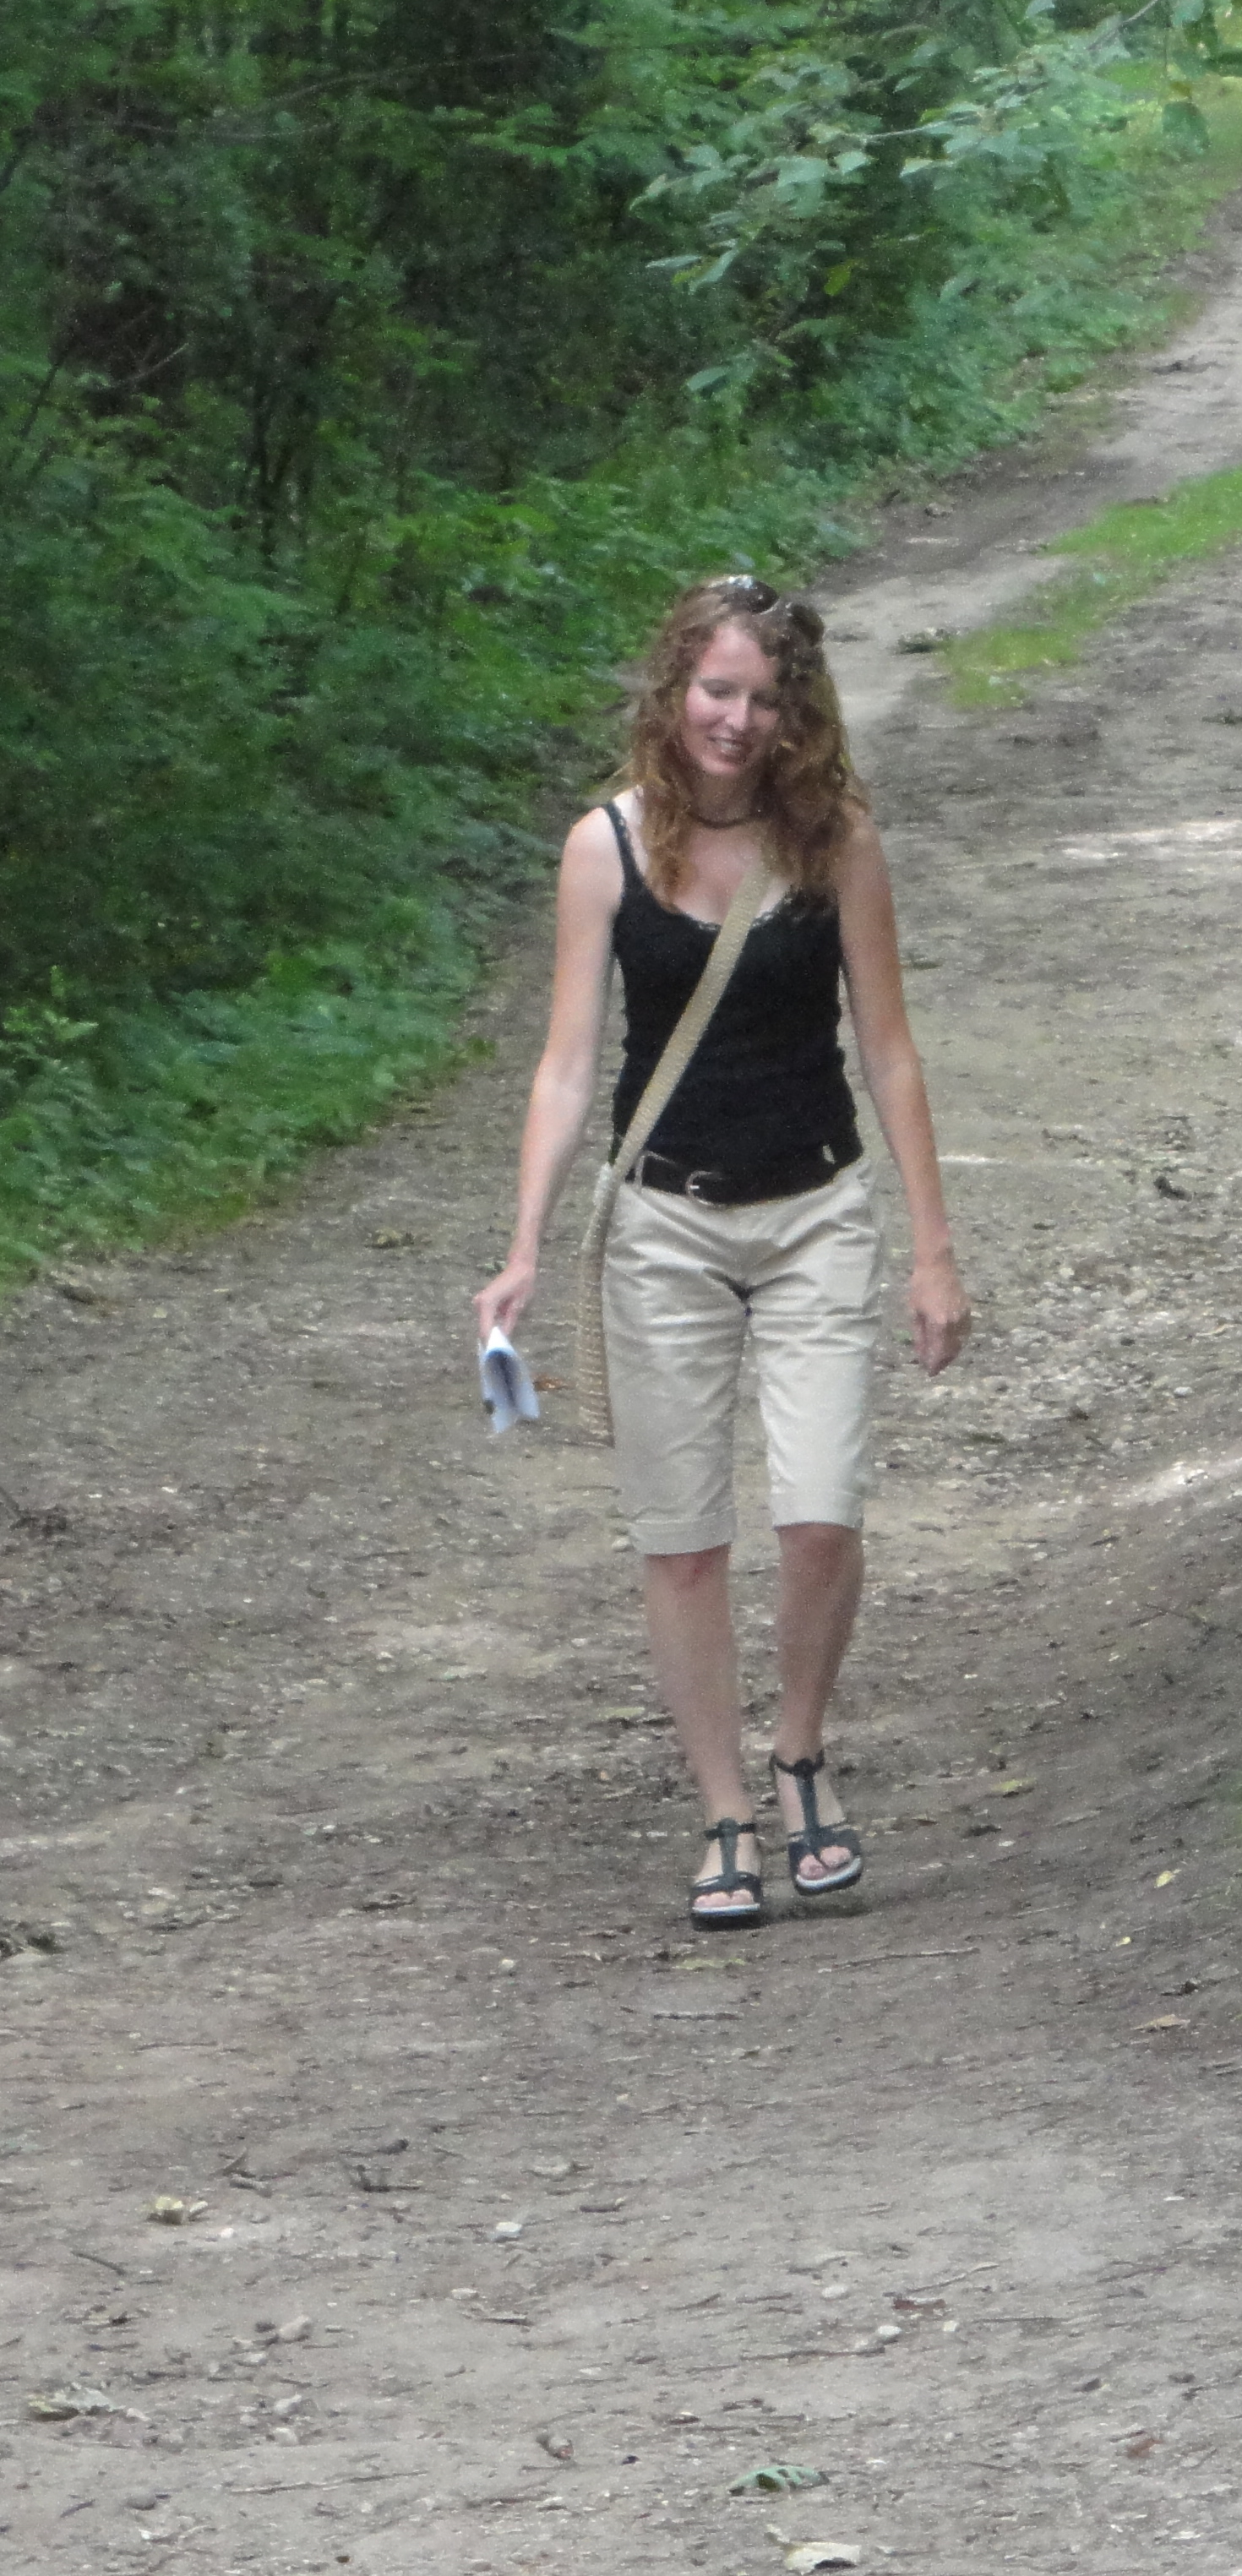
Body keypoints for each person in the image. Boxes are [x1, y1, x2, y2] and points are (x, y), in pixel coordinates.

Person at [474, 574, 970, 1926]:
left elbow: (889, 1051)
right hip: (664, 1225)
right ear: (674, 688)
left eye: (761, 699)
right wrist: (521, 1246)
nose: (734, 721)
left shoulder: (834, 842)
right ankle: (722, 1812)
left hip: (815, 1211)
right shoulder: (604, 847)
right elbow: (566, 1064)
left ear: (796, 713)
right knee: (681, 1537)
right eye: (715, 690)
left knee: (819, 1513)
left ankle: (800, 1753)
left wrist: (932, 1249)